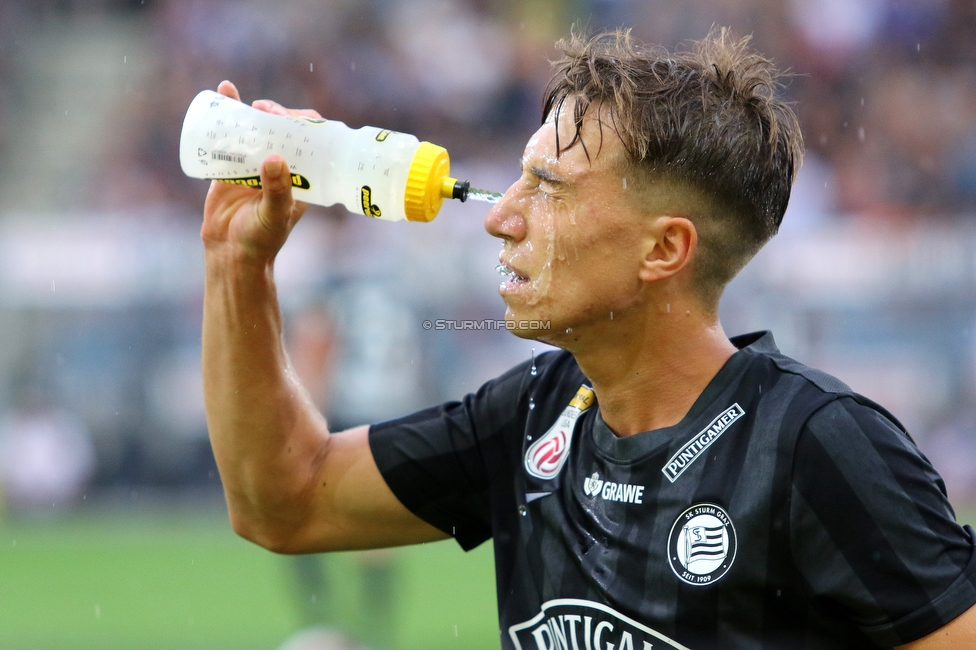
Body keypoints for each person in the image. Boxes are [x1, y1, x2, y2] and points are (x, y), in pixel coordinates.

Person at [199, 28, 976, 649]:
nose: (501, 216)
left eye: (550, 187)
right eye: (518, 177)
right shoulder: (536, 413)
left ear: (664, 251)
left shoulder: (818, 443)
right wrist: (238, 266)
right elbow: (283, 503)